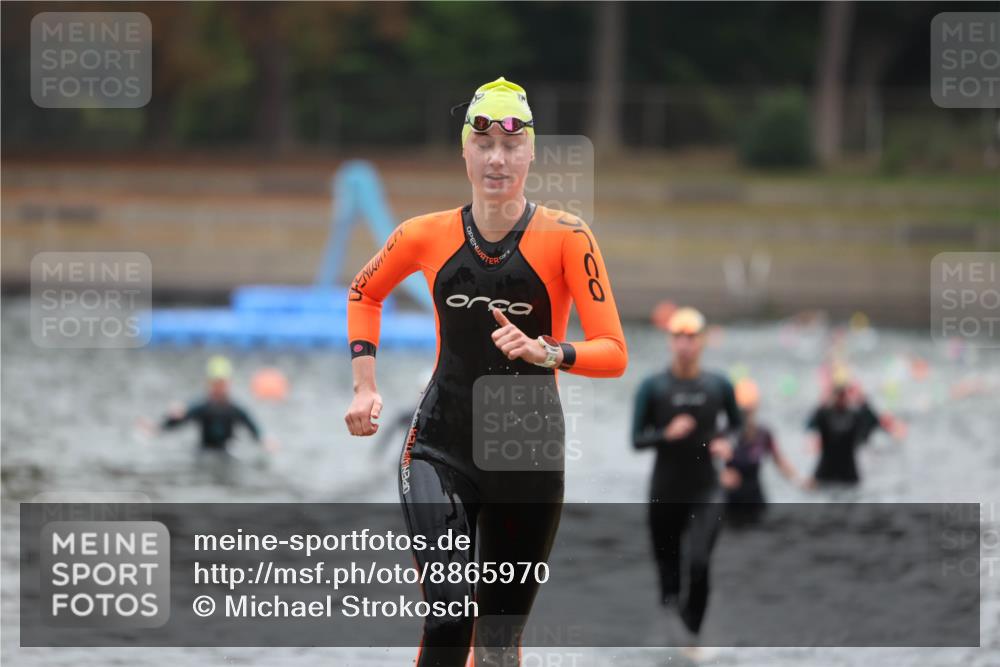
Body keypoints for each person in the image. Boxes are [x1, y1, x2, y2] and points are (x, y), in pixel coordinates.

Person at [344, 76, 627, 667]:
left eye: (511, 145)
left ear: (531, 153)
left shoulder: (568, 237)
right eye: (484, 144)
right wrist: (365, 385)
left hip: (528, 459)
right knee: (450, 612)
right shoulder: (422, 234)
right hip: (439, 447)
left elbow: (613, 351)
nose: (497, 159)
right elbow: (364, 292)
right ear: (465, 153)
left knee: (497, 646)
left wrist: (548, 352)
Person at [630, 307, 740, 653]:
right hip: (665, 492)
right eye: (678, 337)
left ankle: (693, 636)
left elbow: (737, 427)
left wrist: (727, 442)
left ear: (702, 341)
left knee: (700, 562)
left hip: (706, 489)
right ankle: (673, 638)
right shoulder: (652, 386)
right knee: (669, 577)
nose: (684, 344)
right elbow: (636, 439)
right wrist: (666, 433)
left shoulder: (719, 385)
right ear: (670, 341)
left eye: (691, 337)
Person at [139, 355, 278, 454]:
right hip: (204, 452)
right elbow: (180, 419)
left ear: (228, 384)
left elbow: (251, 426)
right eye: (216, 383)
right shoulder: (202, 407)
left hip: (226, 452)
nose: (219, 388)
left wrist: (264, 440)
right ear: (209, 384)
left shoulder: (234, 409)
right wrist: (157, 427)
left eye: (222, 383)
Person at [804, 370, 903, 488]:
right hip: (828, 470)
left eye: (843, 395)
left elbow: (879, 423)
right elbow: (808, 427)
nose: (841, 399)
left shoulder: (855, 415)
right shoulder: (824, 413)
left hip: (847, 471)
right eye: (839, 395)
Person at [721, 378, 799, 526]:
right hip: (729, 504)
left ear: (755, 408)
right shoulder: (725, 433)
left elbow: (779, 461)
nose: (745, 415)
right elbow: (703, 464)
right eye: (742, 411)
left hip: (755, 501)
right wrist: (719, 476)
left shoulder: (764, 434)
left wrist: (800, 481)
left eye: (749, 410)